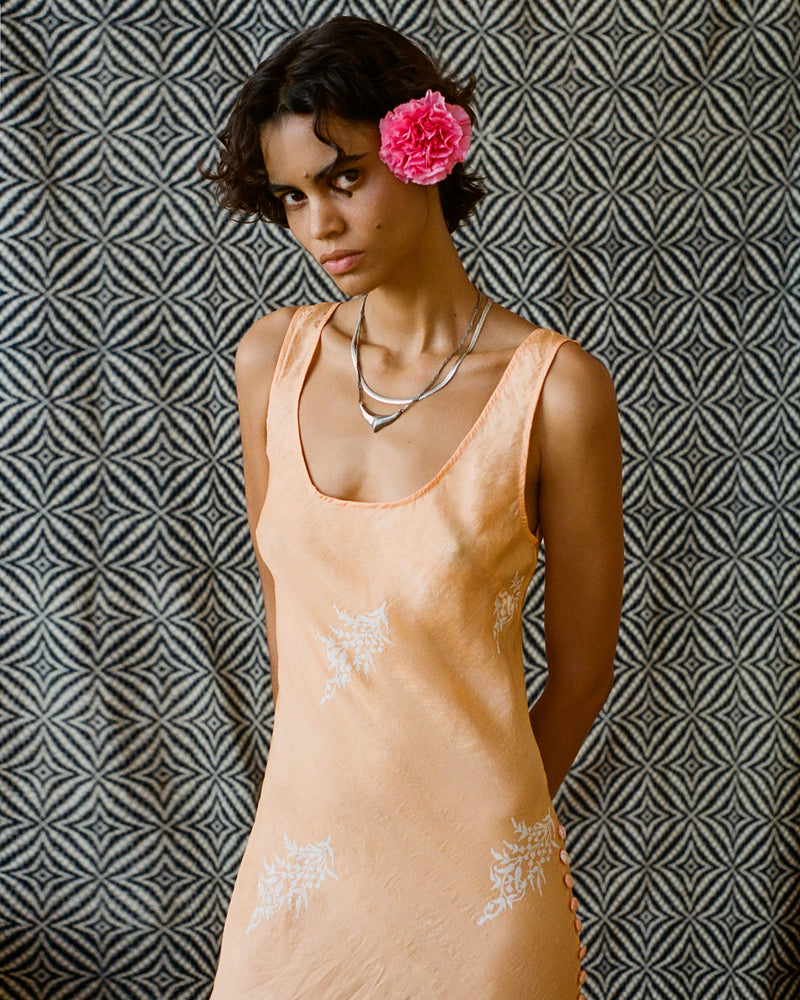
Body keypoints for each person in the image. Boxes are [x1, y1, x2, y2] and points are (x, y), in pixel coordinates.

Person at [200, 14, 622, 1000]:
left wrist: (479, 825)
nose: (317, 227)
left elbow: (583, 671)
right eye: (291, 197)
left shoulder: (555, 392)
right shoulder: (271, 361)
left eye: (342, 178)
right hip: (301, 877)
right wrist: (329, 803)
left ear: (420, 149)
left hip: (476, 894)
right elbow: (285, 617)